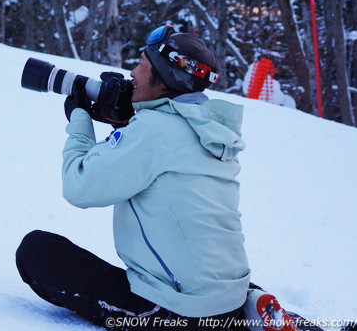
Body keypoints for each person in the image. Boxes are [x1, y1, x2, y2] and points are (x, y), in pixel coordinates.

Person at [16, 24, 250, 330]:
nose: (132, 74)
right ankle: (251, 309)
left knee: (37, 251)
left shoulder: (153, 130)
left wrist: (79, 120)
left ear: (165, 78)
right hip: (228, 295)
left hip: (177, 312)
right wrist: (127, 122)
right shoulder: (209, 131)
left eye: (141, 65)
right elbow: (154, 155)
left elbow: (79, 186)